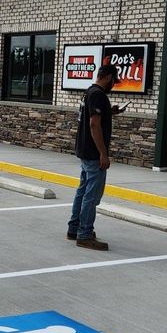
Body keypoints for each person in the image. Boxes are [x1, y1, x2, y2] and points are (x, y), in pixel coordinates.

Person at [67, 63, 124, 250]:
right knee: (91, 195)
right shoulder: (99, 95)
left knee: (82, 190)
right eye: (114, 81)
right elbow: (94, 124)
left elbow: (93, 117)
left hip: (84, 150)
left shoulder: (90, 92)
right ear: (107, 78)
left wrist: (111, 111)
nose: (113, 85)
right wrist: (103, 153)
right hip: (93, 153)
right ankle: (84, 234)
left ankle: (74, 228)